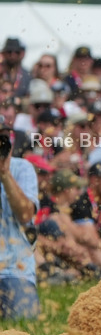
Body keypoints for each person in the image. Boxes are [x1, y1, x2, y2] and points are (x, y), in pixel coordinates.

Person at [0, 118, 39, 320]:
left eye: (3, 138)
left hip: (15, 269)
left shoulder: (22, 168)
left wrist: (5, 174)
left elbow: (25, 215)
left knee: (25, 319)